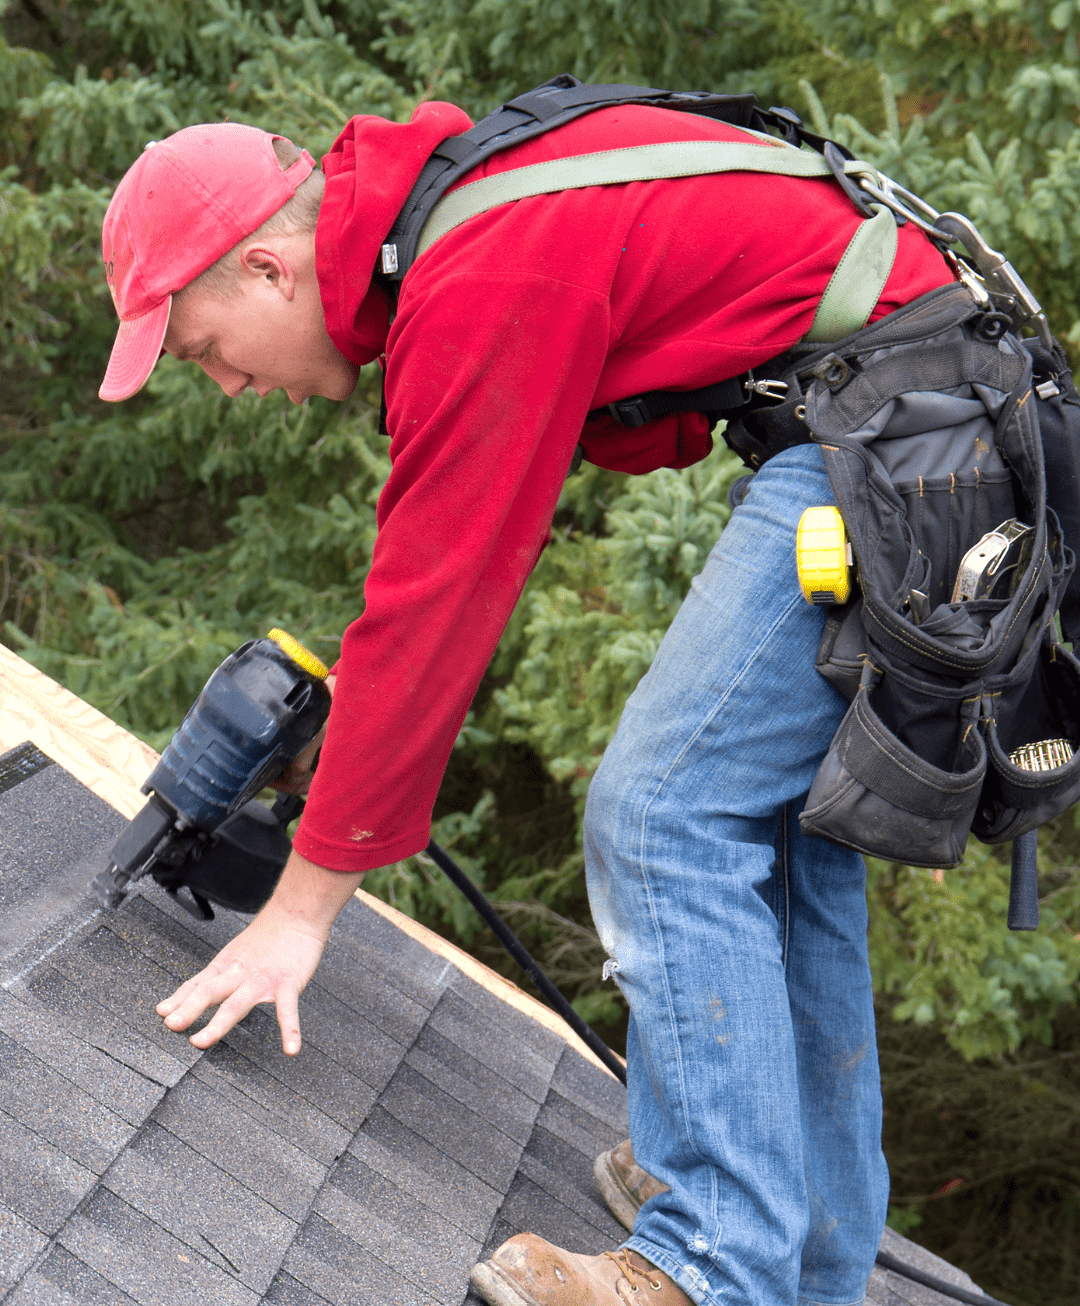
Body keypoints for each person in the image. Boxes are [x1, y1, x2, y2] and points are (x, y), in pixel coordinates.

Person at [98, 100, 953, 1306]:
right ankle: (802, 1251)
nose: (229, 384)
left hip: (906, 436)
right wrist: (349, 749)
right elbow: (458, 552)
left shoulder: (482, 260)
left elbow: (435, 603)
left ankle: (714, 1259)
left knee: (660, 812)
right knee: (762, 828)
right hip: (917, 423)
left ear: (267, 264)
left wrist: (298, 912)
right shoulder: (465, 225)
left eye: (204, 348)